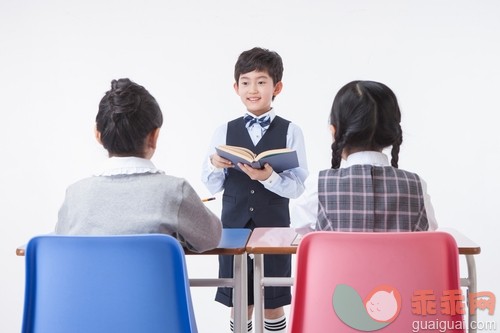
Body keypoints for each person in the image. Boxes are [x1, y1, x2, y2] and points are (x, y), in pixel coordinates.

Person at [201, 47, 308, 333]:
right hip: (233, 227)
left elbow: (297, 187)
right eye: (246, 82)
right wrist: (215, 164)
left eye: (261, 81)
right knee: (239, 299)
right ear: (236, 87)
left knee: (273, 300)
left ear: (277, 87)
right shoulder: (224, 130)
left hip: (275, 229)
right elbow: (212, 185)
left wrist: (269, 177)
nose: (253, 89)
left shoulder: (291, 130)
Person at [55, 78, 222, 253]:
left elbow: (61, 243)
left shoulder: (75, 194)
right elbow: (211, 238)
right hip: (154, 282)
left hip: (86, 281)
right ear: (154, 136)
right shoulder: (174, 190)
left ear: (98, 135)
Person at [314, 80, 437, 232]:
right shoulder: (417, 186)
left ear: (334, 131)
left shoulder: (317, 187)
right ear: (392, 133)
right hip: (398, 257)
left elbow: (303, 233)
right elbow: (430, 232)